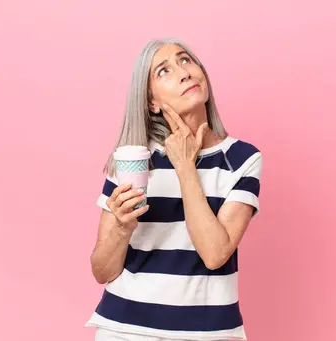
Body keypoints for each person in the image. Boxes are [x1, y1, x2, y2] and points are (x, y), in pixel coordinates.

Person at [85, 38, 263, 341]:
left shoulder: (242, 160)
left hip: (209, 333)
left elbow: (215, 253)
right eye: (163, 71)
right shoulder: (133, 161)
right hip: (125, 330)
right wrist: (122, 229)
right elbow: (102, 272)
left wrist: (184, 166)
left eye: (185, 61)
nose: (184, 73)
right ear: (151, 101)